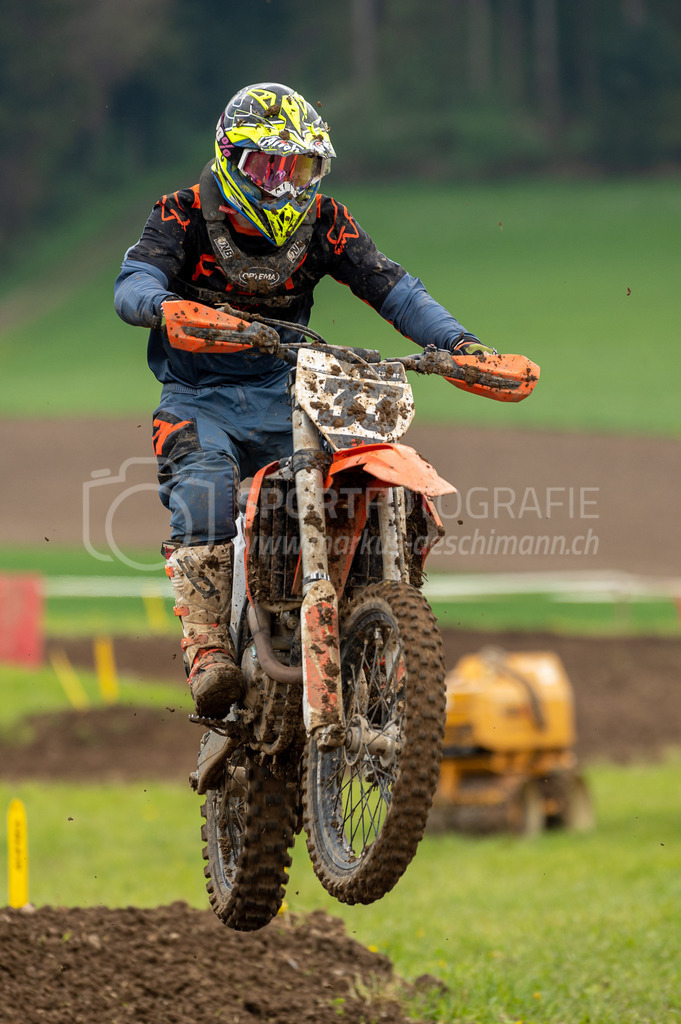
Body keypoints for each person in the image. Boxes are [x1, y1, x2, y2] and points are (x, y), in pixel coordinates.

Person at [114, 81, 491, 718]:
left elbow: (392, 288)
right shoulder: (180, 213)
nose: (285, 184)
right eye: (269, 166)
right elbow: (134, 282)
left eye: (301, 167)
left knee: (371, 475)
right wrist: (164, 306)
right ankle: (208, 645)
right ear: (231, 161)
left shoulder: (324, 220)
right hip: (199, 396)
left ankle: (381, 613)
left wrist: (460, 344)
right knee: (203, 489)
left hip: (291, 392)